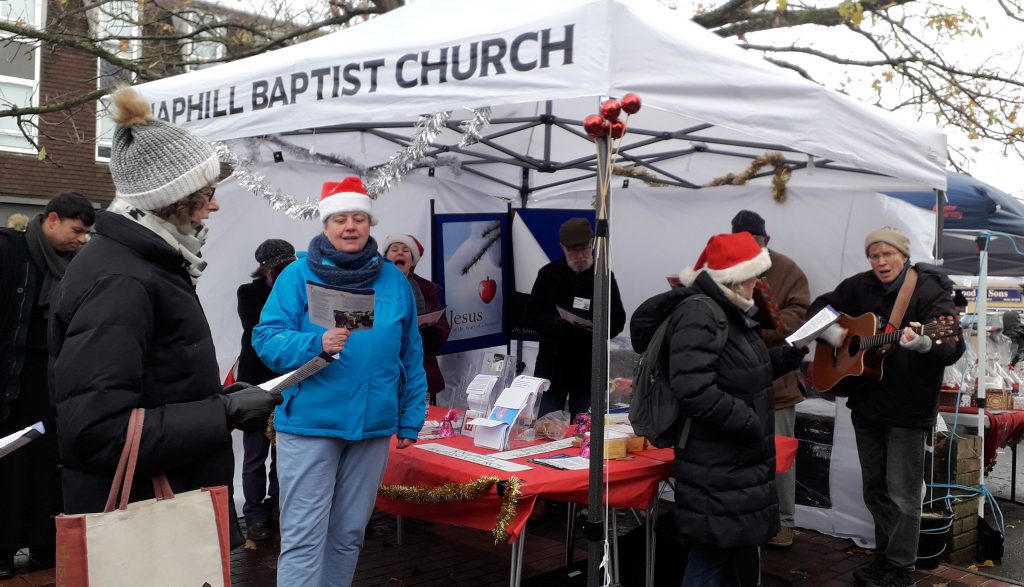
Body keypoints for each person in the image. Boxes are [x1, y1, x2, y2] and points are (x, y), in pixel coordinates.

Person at [49, 88, 281, 550]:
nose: (215, 205)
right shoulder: (123, 278)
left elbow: (152, 384)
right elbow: (96, 431)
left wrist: (215, 398)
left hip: (164, 508)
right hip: (146, 527)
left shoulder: (144, 263)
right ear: (175, 198)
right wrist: (222, 413)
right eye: (208, 193)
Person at [253, 177, 428, 587]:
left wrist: (410, 417)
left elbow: (411, 353)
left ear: (369, 223)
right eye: (340, 219)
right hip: (312, 422)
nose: (350, 227)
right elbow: (266, 337)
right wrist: (315, 342)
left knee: (349, 533)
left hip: (372, 424)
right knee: (303, 536)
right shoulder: (297, 275)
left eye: (359, 218)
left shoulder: (393, 280)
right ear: (325, 226)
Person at [630, 232, 807, 586]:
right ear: (735, 276)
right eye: (755, 275)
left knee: (727, 553)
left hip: (732, 461)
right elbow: (693, 388)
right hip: (718, 460)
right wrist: (748, 421)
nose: (759, 283)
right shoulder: (700, 313)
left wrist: (785, 358)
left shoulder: (727, 311)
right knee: (710, 555)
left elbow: (738, 373)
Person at [810, 227, 964, 587]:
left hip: (909, 408)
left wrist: (924, 342)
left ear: (903, 254)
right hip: (867, 403)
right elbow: (818, 308)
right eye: (874, 256)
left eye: (887, 255)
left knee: (904, 493)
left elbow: (952, 344)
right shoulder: (858, 285)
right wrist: (835, 334)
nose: (880, 262)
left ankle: (900, 568)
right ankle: (884, 557)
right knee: (874, 488)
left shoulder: (928, 288)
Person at [0, 192, 94, 578]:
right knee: (9, 464)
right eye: (77, 230)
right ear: (51, 220)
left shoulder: (77, 265)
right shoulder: (11, 251)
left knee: (44, 467)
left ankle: (43, 541)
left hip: (51, 381)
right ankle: (3, 548)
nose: (82, 239)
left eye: (87, 232)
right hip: (11, 379)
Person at [731, 210, 809, 548]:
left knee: (780, 456)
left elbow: (798, 315)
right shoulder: (724, 266)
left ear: (767, 241)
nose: (751, 249)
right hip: (733, 384)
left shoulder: (788, 270)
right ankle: (742, 517)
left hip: (778, 385)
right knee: (737, 456)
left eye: (757, 243)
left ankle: (784, 522)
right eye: (743, 243)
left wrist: (755, 329)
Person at [527, 217, 626, 417]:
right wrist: (554, 323)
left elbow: (618, 320)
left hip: (589, 370)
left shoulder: (603, 276)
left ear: (592, 245)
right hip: (552, 369)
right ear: (562, 248)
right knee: (547, 428)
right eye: (574, 251)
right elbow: (531, 315)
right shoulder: (548, 274)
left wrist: (596, 326)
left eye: (585, 249)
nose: (580, 256)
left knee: (587, 433)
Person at [237, 239, 296, 542]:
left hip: (287, 381)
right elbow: (258, 327)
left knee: (283, 453)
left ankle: (278, 507)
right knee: (255, 454)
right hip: (256, 383)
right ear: (266, 269)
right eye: (280, 268)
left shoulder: (298, 289)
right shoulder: (249, 293)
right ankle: (254, 514)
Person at [382, 233, 451, 404]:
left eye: (406, 250)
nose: (400, 253)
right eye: (394, 249)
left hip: (420, 370)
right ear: (385, 258)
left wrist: (428, 330)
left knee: (423, 425)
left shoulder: (427, 290)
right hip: (383, 371)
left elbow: (443, 330)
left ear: (412, 261)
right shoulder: (374, 286)